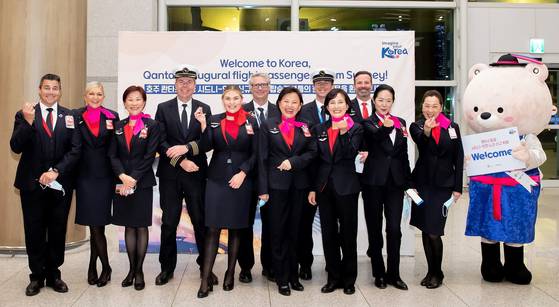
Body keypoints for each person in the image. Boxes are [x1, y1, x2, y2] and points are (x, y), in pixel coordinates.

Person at [10, 73, 80, 296]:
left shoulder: (70, 116)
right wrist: (28, 123)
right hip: (32, 186)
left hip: (60, 185)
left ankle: (54, 274)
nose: (51, 92)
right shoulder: (26, 114)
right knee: (34, 230)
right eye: (47, 88)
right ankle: (36, 276)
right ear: (39, 89)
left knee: (58, 229)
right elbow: (16, 146)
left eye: (55, 88)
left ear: (60, 91)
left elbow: (76, 149)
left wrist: (56, 171)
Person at [195, 85, 259, 298]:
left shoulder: (251, 121)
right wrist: (204, 126)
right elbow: (205, 147)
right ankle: (205, 278)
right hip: (216, 179)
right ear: (223, 100)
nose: (231, 102)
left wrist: (243, 172)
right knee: (212, 228)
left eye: (235, 98)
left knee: (236, 228)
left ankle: (230, 273)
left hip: (241, 180)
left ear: (242, 99)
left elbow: (256, 153)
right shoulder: (214, 119)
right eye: (228, 99)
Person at [155, 65, 213, 286]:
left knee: (200, 221)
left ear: (195, 85)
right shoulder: (163, 108)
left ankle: (205, 267)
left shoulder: (203, 108)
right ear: (175, 84)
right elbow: (160, 142)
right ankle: (166, 268)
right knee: (169, 222)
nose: (185, 85)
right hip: (171, 174)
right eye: (181, 81)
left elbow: (208, 142)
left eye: (189, 81)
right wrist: (182, 160)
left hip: (196, 175)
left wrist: (187, 148)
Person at [258, 87, 317, 296]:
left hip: (300, 187)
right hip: (275, 188)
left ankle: (293, 275)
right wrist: (263, 189)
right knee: (277, 232)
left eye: (294, 102)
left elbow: (312, 154)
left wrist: (294, 162)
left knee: (295, 232)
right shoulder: (268, 125)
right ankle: (281, 278)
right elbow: (262, 159)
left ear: (300, 106)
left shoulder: (306, 126)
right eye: (286, 101)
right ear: (279, 103)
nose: (290, 105)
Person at [307, 89, 363, 295]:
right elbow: (315, 161)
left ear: (347, 106)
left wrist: (343, 132)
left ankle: (349, 279)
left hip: (346, 187)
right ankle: (333, 276)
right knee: (328, 234)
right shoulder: (319, 128)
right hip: (324, 188)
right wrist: (313, 188)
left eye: (340, 102)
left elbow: (350, 153)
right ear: (327, 107)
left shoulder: (355, 128)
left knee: (348, 234)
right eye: (332, 103)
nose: (336, 106)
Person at [409, 90, 463, 289]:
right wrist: (427, 132)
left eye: (434, 106)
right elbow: (421, 143)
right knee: (424, 228)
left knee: (434, 230)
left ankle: (438, 273)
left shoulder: (452, 127)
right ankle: (430, 271)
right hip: (421, 185)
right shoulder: (417, 126)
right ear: (422, 107)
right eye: (426, 105)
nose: (430, 110)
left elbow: (458, 157)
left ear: (441, 107)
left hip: (443, 186)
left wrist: (458, 187)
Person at [109, 86, 160, 291]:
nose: (134, 103)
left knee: (140, 226)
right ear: (124, 103)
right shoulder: (118, 125)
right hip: (122, 182)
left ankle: (139, 272)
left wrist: (134, 178)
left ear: (144, 102)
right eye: (130, 99)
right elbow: (112, 154)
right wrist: (122, 176)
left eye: (138, 99)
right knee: (128, 226)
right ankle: (131, 269)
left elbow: (150, 155)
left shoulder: (152, 125)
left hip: (143, 182)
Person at [361, 84, 411, 291]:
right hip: (373, 182)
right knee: (374, 229)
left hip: (395, 183)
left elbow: (403, 154)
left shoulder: (401, 123)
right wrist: (386, 126)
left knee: (394, 229)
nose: (384, 104)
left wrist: (409, 183)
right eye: (380, 100)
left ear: (393, 101)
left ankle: (394, 273)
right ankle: (378, 273)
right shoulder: (367, 123)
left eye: (388, 100)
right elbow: (375, 138)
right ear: (374, 101)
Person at [73, 81, 119, 287]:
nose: (95, 97)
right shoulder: (74, 116)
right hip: (83, 176)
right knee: (94, 225)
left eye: (99, 94)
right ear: (85, 96)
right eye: (91, 93)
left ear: (103, 96)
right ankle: (97, 266)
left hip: (104, 177)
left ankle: (104, 267)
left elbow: (116, 148)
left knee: (97, 225)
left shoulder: (112, 116)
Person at [240, 72, 280, 283]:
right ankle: (246, 267)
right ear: (250, 88)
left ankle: (270, 265)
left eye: (264, 84)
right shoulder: (240, 110)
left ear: (269, 87)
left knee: (271, 223)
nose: (260, 88)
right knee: (245, 223)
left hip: (271, 176)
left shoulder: (279, 111)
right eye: (256, 85)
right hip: (246, 176)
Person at [297, 69, 334, 280]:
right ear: (313, 86)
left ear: (332, 85)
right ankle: (305, 264)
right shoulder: (304, 111)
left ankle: (333, 265)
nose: (322, 86)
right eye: (318, 83)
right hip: (308, 177)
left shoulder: (340, 108)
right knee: (304, 225)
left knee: (332, 226)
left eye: (326, 83)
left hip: (332, 179)